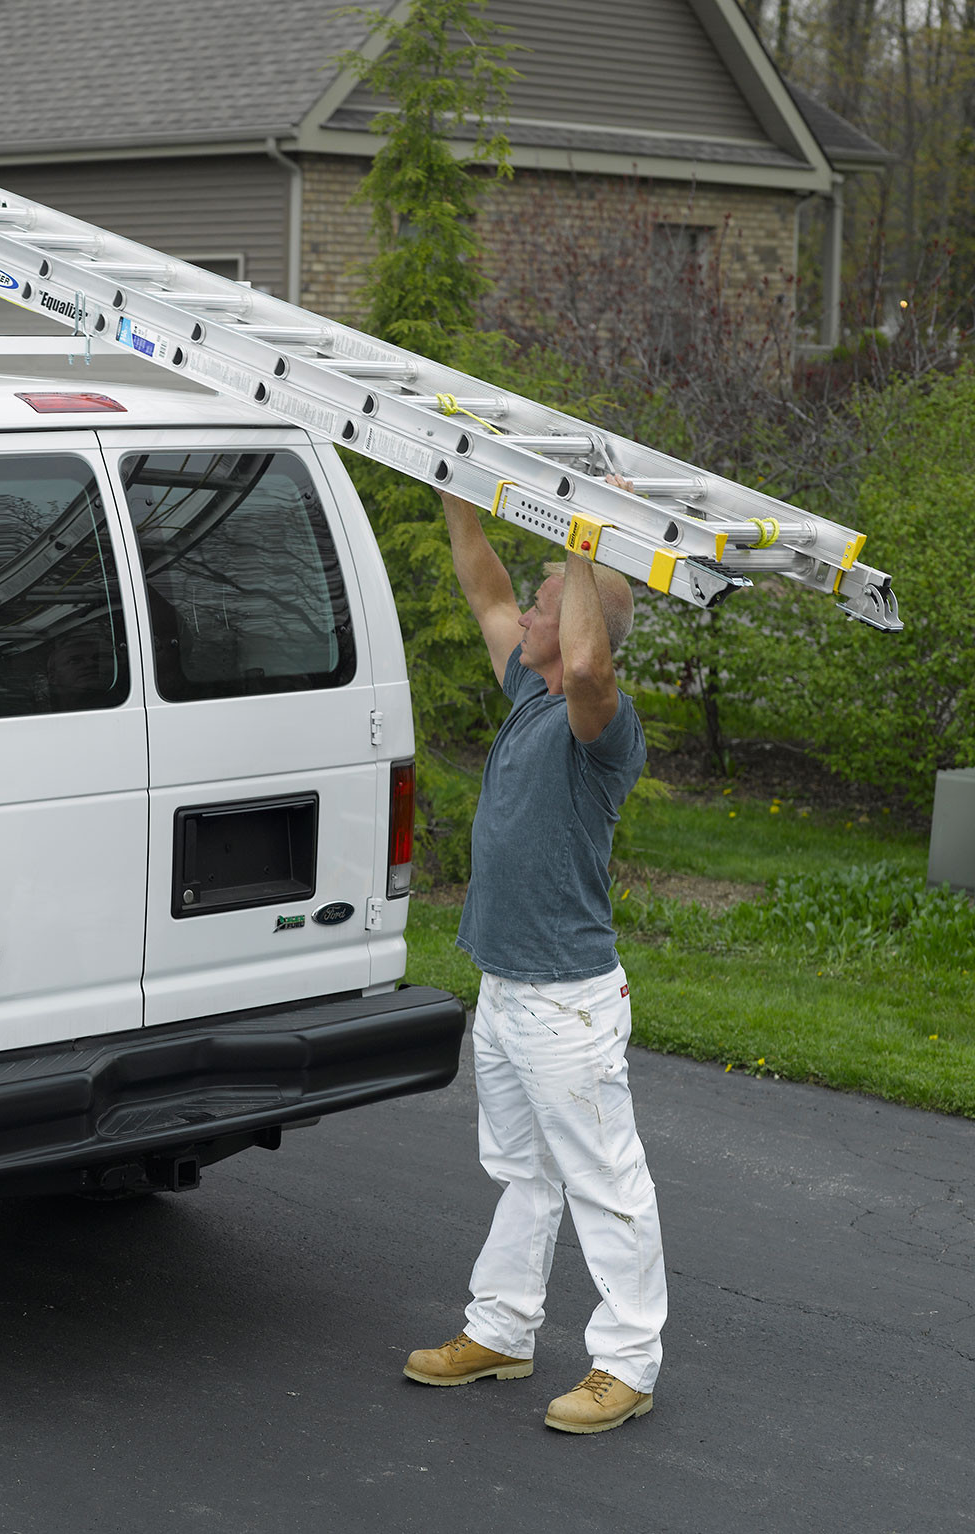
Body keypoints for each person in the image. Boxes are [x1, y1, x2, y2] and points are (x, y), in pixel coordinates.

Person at [402, 486, 665, 1437]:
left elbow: (591, 659)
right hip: (507, 987)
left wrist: (587, 548)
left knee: (606, 1181)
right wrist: (456, 494)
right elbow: (484, 589)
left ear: (581, 619)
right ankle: (503, 1330)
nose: (530, 611)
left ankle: (628, 1362)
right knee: (523, 1171)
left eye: (548, 600)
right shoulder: (527, 689)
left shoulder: (601, 726)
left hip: (568, 1002)